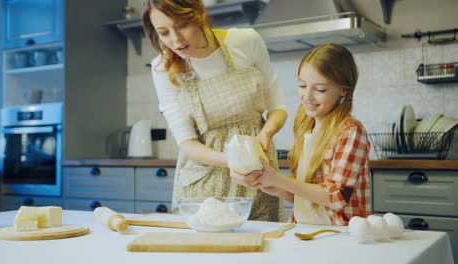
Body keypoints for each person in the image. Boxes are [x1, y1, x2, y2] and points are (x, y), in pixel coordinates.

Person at [142, 0, 287, 221]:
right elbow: (187, 143)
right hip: (203, 178)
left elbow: (278, 107)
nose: (175, 39)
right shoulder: (163, 68)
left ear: (199, 14)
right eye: (163, 32)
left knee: (258, 247)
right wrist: (233, 159)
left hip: (257, 173)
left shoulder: (246, 41)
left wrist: (265, 135)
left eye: (182, 25)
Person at [231, 43, 371, 225]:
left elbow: (335, 197)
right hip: (305, 230)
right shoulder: (306, 126)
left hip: (340, 235)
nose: (307, 96)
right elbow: (308, 197)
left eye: (320, 89)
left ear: (344, 89)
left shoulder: (350, 131)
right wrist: (273, 186)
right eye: (302, 86)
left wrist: (279, 179)